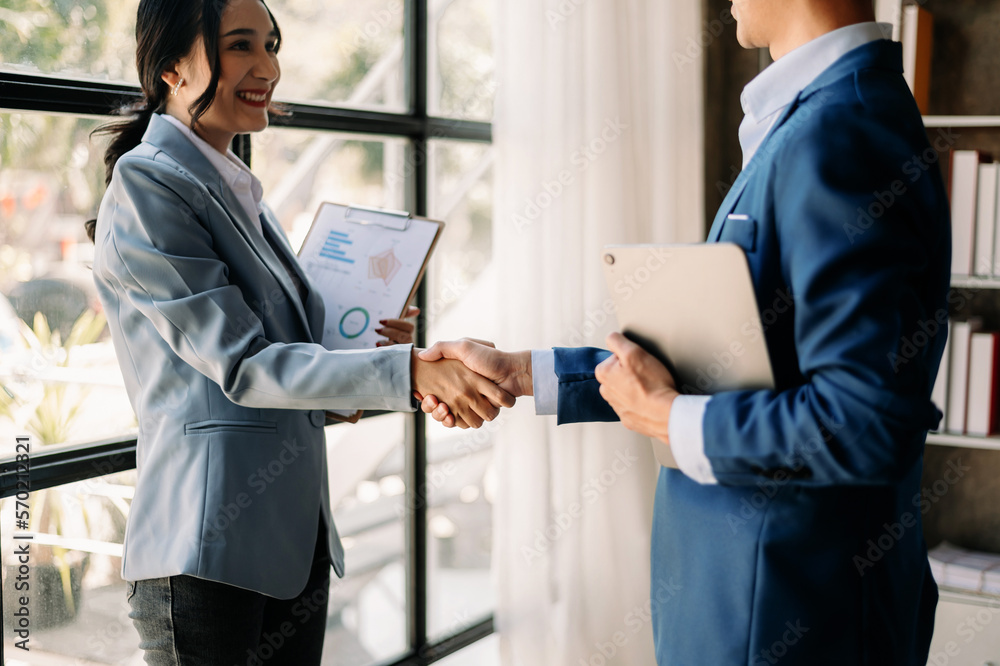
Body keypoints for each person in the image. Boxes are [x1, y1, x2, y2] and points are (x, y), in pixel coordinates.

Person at [418, 0, 951, 662]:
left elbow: (865, 423)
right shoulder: (822, 115)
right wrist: (525, 372)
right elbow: (734, 363)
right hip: (754, 606)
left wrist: (670, 418)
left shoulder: (842, 131)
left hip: (788, 619)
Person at [88, 0, 513, 662]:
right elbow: (246, 365)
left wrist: (367, 353)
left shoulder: (233, 186)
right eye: (240, 46)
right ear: (170, 66)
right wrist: (411, 371)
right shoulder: (150, 184)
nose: (269, 67)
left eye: (271, 44)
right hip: (207, 554)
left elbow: (291, 359)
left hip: (289, 543)